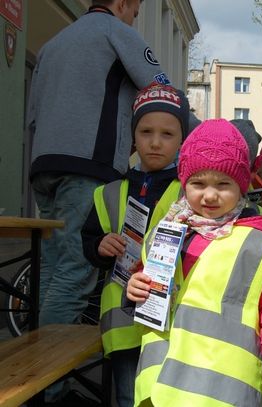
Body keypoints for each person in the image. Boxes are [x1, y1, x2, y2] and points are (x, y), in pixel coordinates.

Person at [127, 119, 262, 406]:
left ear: (241, 187)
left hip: (221, 389)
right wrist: (134, 288)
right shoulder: (167, 232)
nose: (209, 195)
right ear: (184, 183)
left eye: (223, 184)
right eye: (197, 183)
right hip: (162, 384)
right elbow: (145, 279)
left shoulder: (256, 246)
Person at [27, 0, 169, 331]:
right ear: (123, 3)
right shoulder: (117, 33)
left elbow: (33, 115)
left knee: (51, 270)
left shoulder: (52, 45)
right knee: (75, 274)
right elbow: (163, 95)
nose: (135, 18)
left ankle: (36, 368)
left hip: (44, 165)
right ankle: (51, 380)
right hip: (87, 167)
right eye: (137, 10)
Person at [81, 82, 189, 407]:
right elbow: (88, 242)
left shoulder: (191, 191)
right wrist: (100, 246)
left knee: (168, 397)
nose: (155, 142)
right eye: (146, 131)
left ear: (182, 138)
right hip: (123, 322)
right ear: (133, 135)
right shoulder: (109, 193)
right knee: (129, 398)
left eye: (168, 134)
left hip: (172, 320)